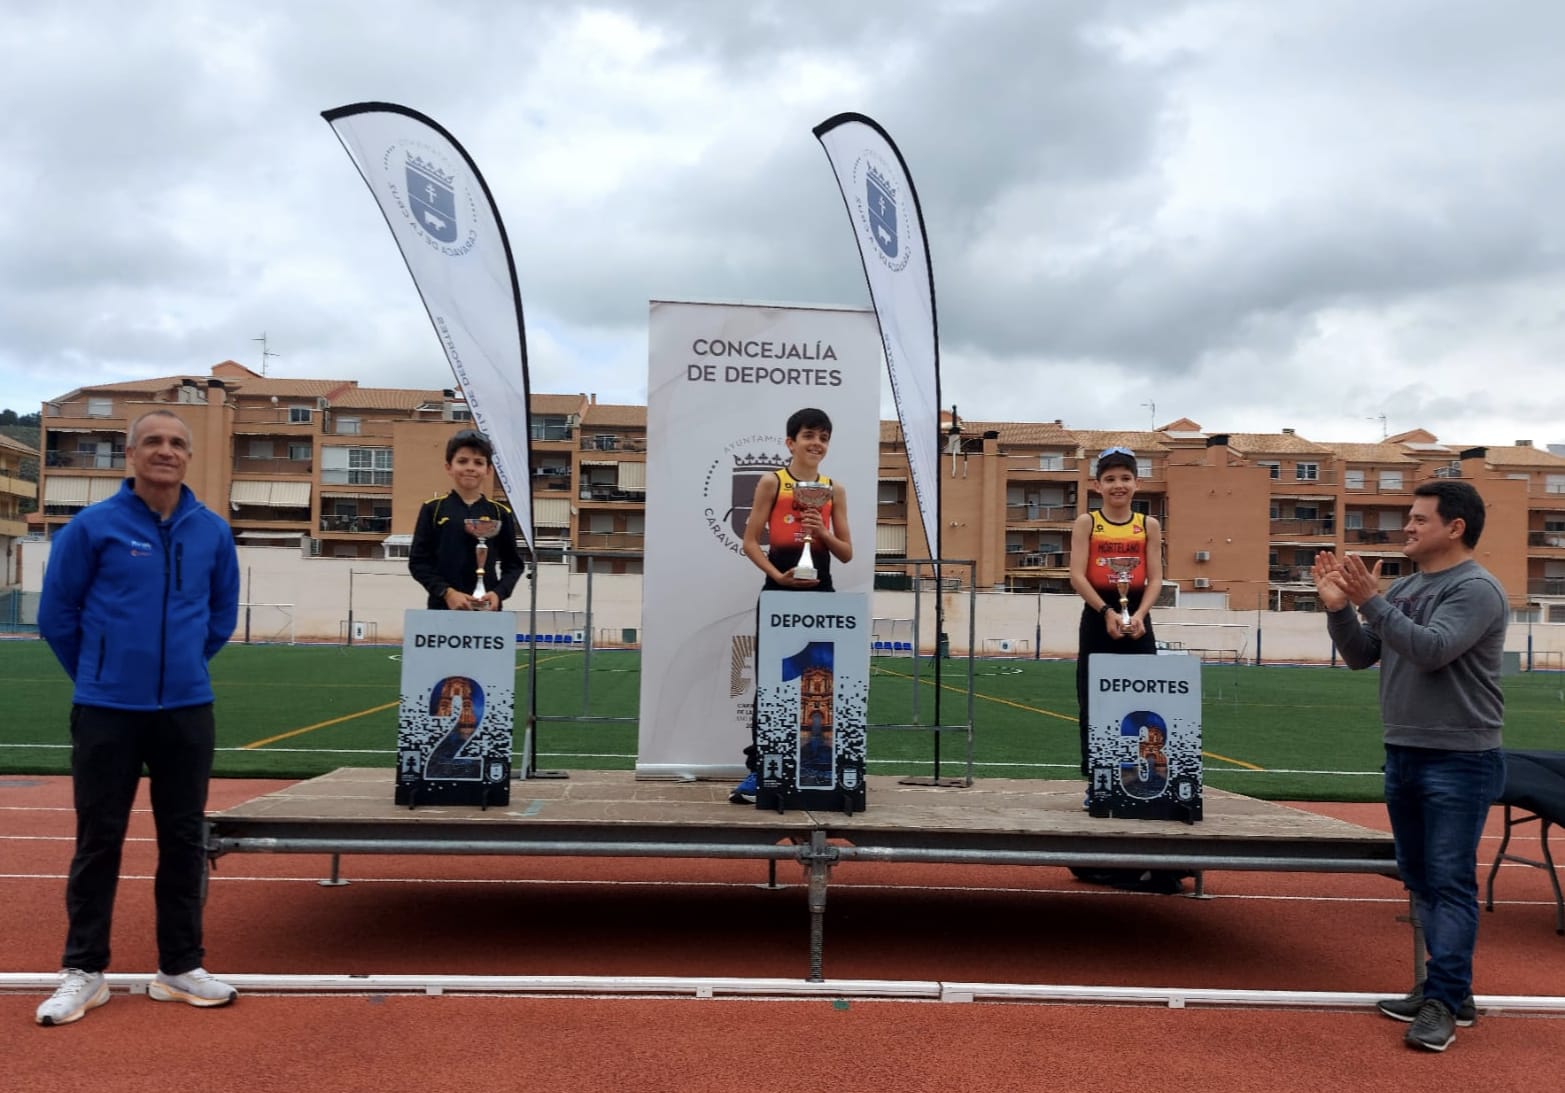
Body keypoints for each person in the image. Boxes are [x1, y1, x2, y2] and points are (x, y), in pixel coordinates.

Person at [35, 409, 241, 1026]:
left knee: (183, 840)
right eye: (153, 441)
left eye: (177, 442)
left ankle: (179, 967)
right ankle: (84, 970)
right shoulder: (91, 527)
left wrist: (184, 666)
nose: (165, 451)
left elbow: (220, 616)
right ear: (130, 454)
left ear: (188, 456)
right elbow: (57, 615)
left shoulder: (212, 532)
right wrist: (100, 674)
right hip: (107, 710)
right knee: (99, 840)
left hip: (186, 710)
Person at [1312, 480, 1507, 1053]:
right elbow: (1361, 655)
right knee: (1421, 878)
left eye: (1420, 519)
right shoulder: (1409, 586)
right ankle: (1449, 991)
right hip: (1405, 750)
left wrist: (1371, 600)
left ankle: (1444, 1001)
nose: (1408, 527)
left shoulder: (1476, 589)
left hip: (1460, 757)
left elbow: (1431, 650)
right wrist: (1339, 609)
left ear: (1455, 527)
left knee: (1449, 881)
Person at [1067, 446, 1184, 894]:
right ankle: (1096, 782)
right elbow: (1077, 575)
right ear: (1098, 485)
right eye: (1110, 478)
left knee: (1144, 705)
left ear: (1137, 484)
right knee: (1093, 703)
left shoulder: (1147, 525)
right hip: (1099, 618)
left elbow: (1154, 577)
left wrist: (1140, 616)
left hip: (1137, 620)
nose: (1118, 485)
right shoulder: (1088, 522)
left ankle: (1144, 777)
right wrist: (1106, 613)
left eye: (1125, 478)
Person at [731, 407, 853, 803]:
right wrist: (777, 575)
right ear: (791, 442)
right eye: (808, 436)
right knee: (771, 682)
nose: (817, 443)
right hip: (779, 593)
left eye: (823, 437)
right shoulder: (773, 482)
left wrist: (822, 533)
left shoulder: (834, 489)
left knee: (820, 685)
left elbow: (846, 552)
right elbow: (751, 541)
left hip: (822, 596)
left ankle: (816, 766)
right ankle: (759, 770)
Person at [409, 429, 526, 611]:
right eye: (462, 461)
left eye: (478, 462)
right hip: (442, 609)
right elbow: (418, 562)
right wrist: (446, 592)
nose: (470, 468)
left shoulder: (500, 513)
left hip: (487, 610)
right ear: (449, 467)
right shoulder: (433, 509)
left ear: (488, 470)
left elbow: (513, 564)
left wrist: (498, 593)